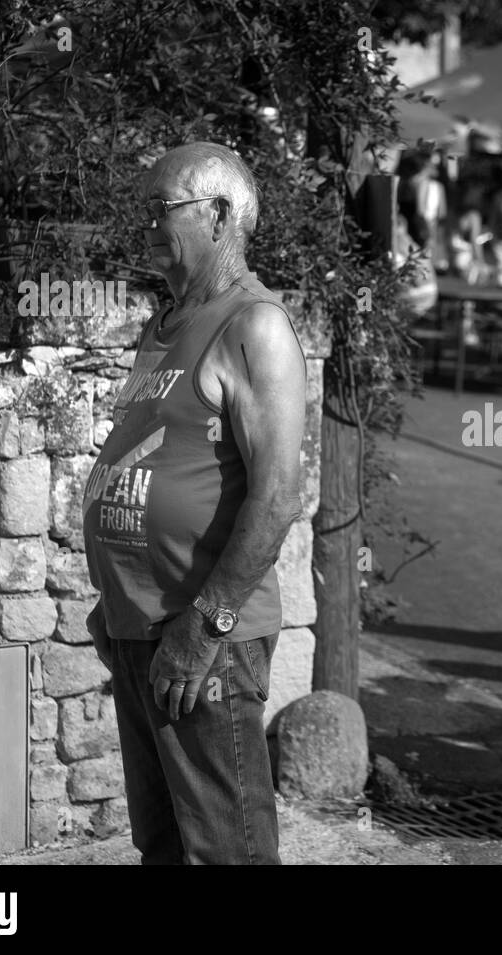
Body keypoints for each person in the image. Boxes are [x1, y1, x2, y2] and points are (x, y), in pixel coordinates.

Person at [83, 143, 309, 862]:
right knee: (165, 847)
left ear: (218, 215)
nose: (148, 226)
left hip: (203, 642)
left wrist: (204, 626)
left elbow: (276, 498)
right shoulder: (167, 325)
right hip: (142, 629)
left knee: (225, 849)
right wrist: (114, 600)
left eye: (163, 209)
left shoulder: (254, 326)